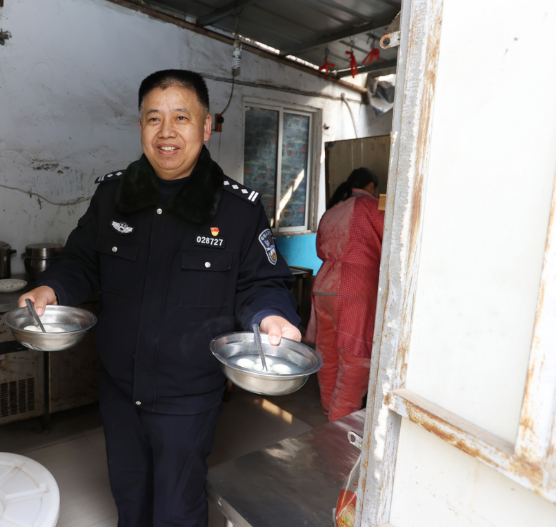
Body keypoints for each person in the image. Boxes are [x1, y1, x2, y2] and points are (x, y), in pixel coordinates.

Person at [19, 69, 301, 526]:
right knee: (129, 499)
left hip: (188, 397)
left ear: (205, 127)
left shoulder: (238, 210)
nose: (166, 132)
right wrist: (51, 287)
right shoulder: (112, 196)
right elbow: (81, 261)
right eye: (154, 118)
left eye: (181, 118)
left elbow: (261, 283)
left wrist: (271, 316)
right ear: (141, 127)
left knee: (177, 509)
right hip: (119, 388)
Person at [307, 167, 385, 422]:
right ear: (371, 186)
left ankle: (327, 406)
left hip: (324, 284)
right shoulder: (372, 206)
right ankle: (341, 421)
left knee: (327, 352)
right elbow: (394, 240)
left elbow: (320, 249)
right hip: (354, 287)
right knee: (355, 359)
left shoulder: (332, 210)